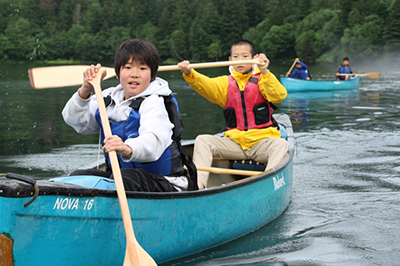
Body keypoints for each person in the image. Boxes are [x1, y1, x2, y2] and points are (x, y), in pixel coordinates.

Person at [62, 39, 197, 192]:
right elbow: (75, 121)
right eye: (128, 67)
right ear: (118, 73)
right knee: (77, 176)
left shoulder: (155, 102)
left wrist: (127, 148)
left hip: (166, 183)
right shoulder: (106, 98)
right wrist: (86, 89)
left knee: (125, 177)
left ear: (152, 75)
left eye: (142, 68)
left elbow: (153, 141)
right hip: (123, 179)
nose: (135, 74)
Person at [178, 40, 289, 189]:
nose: (240, 60)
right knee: (203, 140)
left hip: (261, 143)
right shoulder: (225, 84)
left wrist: (264, 71)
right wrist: (189, 73)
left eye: (245, 56)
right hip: (235, 144)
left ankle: (267, 182)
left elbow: (279, 96)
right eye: (236, 57)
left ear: (254, 58)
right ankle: (198, 185)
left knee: (281, 144)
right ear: (230, 60)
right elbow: (205, 85)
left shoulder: (264, 79)